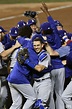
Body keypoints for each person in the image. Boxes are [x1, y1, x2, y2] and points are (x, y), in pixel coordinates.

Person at [40, 3, 65, 109]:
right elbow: (53, 25)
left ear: (43, 31)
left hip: (51, 68)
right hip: (61, 68)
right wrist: (46, 11)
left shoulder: (43, 39)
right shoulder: (56, 35)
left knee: (50, 93)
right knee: (60, 93)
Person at [31, 34, 52, 109]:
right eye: (34, 45)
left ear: (42, 45)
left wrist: (28, 62)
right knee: (33, 104)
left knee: (41, 105)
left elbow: (39, 68)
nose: (36, 47)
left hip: (44, 83)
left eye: (38, 45)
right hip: (36, 83)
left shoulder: (45, 55)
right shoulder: (35, 54)